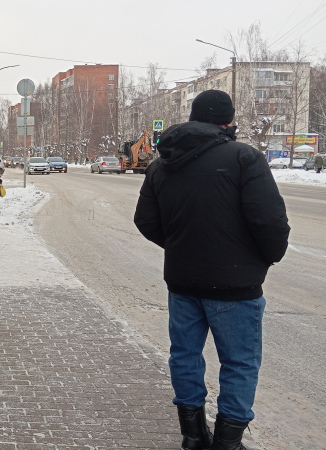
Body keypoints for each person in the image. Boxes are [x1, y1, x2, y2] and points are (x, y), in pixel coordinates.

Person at [134, 90, 290, 450]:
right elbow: (269, 221)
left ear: (193, 117)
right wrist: (264, 258)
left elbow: (146, 220)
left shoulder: (163, 163)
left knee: (185, 356)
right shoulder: (243, 158)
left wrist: (179, 246)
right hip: (236, 285)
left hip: (183, 282)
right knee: (238, 363)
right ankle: (227, 443)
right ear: (228, 121)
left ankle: (193, 437)